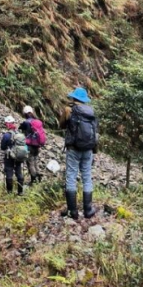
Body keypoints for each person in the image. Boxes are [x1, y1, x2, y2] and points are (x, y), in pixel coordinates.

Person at [60, 87, 98, 219]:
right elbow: (95, 132)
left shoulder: (69, 109)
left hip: (73, 148)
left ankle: (73, 211)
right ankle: (88, 210)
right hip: (88, 149)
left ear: (74, 98)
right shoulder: (91, 112)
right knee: (87, 177)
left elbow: (62, 125)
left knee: (71, 176)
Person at [20, 106, 44, 186]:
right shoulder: (37, 122)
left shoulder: (26, 122)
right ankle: (38, 175)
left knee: (30, 163)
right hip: (37, 145)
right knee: (35, 161)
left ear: (25, 113)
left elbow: (20, 129)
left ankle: (33, 180)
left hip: (29, 145)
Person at [0, 116, 26, 195]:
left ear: (7, 124)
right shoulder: (19, 134)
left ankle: (9, 193)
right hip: (18, 157)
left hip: (9, 157)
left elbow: (2, 147)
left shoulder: (6, 135)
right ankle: (20, 192)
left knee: (9, 173)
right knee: (19, 173)